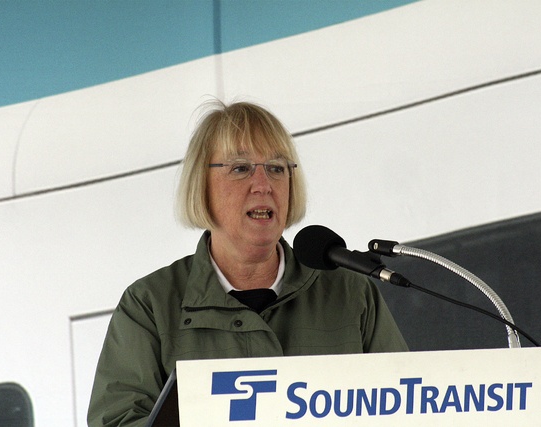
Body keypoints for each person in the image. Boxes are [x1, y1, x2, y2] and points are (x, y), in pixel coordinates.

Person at [87, 100, 408, 426]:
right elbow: (117, 420)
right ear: (202, 185)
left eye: (277, 168)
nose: (264, 184)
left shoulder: (352, 294)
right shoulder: (150, 305)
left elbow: (409, 409)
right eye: (240, 168)